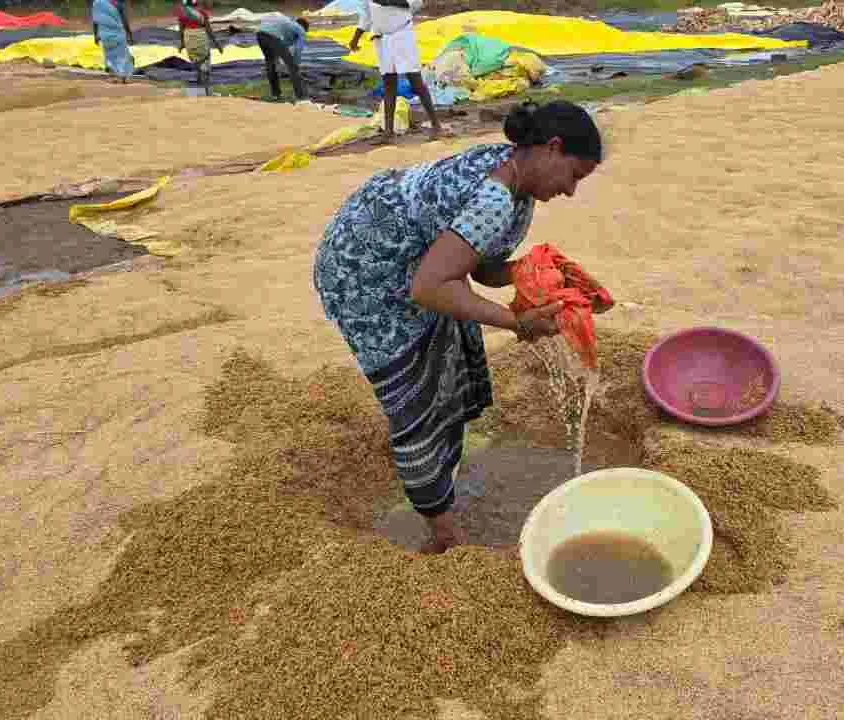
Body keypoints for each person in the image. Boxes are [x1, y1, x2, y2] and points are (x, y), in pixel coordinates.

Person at [313, 101, 605, 554]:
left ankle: (442, 480)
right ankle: (443, 534)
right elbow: (431, 287)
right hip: (367, 273)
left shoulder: (515, 180)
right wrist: (516, 322)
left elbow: (480, 268)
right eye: (574, 176)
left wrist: (543, 272)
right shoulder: (494, 196)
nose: (570, 191)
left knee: (446, 363)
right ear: (552, 148)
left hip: (410, 265)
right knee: (415, 402)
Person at [348, 0, 443, 141]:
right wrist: (355, 39)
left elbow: (415, 3)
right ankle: (388, 132)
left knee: (415, 80)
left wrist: (386, 1)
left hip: (403, 35)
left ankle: (436, 126)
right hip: (382, 39)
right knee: (389, 83)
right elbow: (366, 17)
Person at [176, 0, 224, 96]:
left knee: (197, 62)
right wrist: (217, 44)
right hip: (200, 38)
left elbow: (181, 31)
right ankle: (207, 92)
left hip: (189, 39)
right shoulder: (201, 13)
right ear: (196, 3)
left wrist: (182, 44)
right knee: (206, 61)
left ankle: (199, 89)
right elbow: (209, 30)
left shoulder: (183, 15)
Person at [256, 15, 309, 101]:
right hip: (272, 35)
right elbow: (298, 48)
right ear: (304, 27)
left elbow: (285, 44)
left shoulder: (288, 24)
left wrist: (281, 57)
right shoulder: (300, 29)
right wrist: (296, 62)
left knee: (270, 64)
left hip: (260, 34)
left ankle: (275, 94)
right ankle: (301, 96)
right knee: (292, 66)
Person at [92, 0, 135, 83]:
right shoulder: (117, 4)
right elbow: (124, 20)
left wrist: (96, 36)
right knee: (124, 56)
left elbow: (95, 21)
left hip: (105, 36)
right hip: (118, 35)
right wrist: (130, 34)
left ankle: (116, 76)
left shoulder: (97, 4)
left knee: (110, 56)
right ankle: (125, 77)